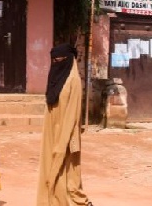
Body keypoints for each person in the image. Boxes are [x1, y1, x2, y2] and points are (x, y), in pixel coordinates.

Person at [37, 43, 93, 206]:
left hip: (65, 136)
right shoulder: (55, 79)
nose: (56, 63)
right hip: (51, 134)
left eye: (59, 59)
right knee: (49, 170)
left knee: (68, 176)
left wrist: (62, 143)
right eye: (53, 60)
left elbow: (72, 116)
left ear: (68, 60)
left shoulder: (73, 81)